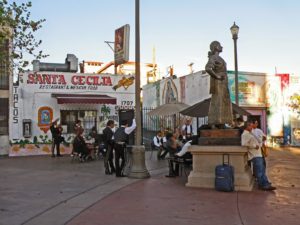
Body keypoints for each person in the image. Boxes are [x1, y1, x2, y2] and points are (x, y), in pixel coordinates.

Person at [241, 121, 276, 191]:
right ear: (247, 126)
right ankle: (262, 185)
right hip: (254, 155)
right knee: (259, 171)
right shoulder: (245, 134)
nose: (252, 127)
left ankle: (266, 183)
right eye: (251, 126)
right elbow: (243, 143)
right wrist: (254, 146)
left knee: (262, 169)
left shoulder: (250, 133)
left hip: (258, 154)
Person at [205, 41, 233, 127]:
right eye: (220, 45)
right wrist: (217, 76)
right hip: (218, 82)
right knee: (218, 101)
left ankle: (222, 122)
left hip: (223, 82)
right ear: (216, 47)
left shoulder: (219, 58)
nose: (222, 47)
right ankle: (215, 122)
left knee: (224, 101)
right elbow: (208, 68)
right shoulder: (214, 57)